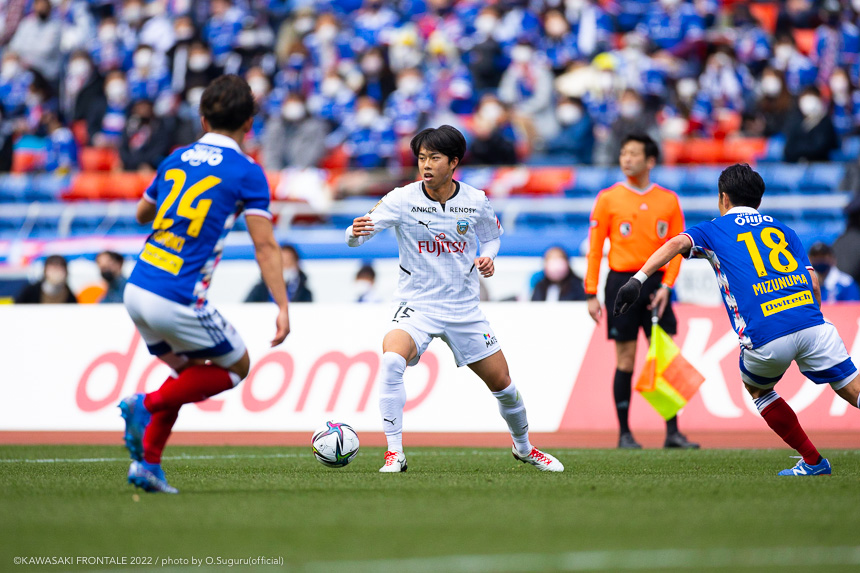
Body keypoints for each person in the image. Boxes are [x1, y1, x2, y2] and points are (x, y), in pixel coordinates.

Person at [614, 163, 860, 476]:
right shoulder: (785, 230)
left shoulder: (714, 229)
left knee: (759, 390)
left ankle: (813, 461)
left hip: (767, 334)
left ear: (724, 198)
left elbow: (676, 243)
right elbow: (813, 284)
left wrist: (637, 280)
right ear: (758, 199)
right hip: (813, 325)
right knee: (852, 389)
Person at [346, 125, 563, 473]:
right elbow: (357, 235)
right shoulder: (401, 198)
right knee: (390, 361)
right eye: (421, 158)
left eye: (434, 158)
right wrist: (353, 233)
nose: (426, 165)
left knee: (504, 387)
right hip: (417, 306)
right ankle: (394, 453)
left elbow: (491, 238)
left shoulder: (475, 200)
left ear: (453, 162)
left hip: (464, 310)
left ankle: (524, 448)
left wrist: (488, 256)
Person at [119, 75, 290, 494]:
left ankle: (148, 465)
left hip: (138, 287)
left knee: (188, 374)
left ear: (202, 118)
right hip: (177, 296)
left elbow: (142, 213)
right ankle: (145, 404)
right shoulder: (247, 172)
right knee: (237, 367)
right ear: (249, 123)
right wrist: (283, 307)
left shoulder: (176, 157)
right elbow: (265, 247)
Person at [585, 133, 698, 450]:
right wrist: (591, 292)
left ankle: (673, 433)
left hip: (655, 284)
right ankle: (624, 433)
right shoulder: (608, 198)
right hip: (621, 283)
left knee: (664, 357)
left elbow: (678, 248)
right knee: (625, 359)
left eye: (633, 153)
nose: (626, 158)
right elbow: (595, 249)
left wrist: (667, 286)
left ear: (650, 161)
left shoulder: (668, 200)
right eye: (623, 153)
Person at [245, 244, 313, 303]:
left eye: (289, 262)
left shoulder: (304, 293)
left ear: (296, 264)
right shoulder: (260, 289)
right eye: (282, 262)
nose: (285, 267)